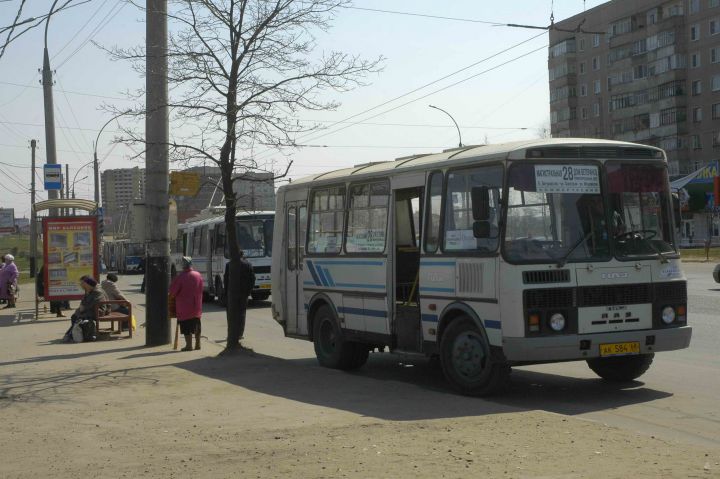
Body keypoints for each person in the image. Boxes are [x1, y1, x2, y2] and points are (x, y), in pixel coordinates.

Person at [169, 256, 203, 351]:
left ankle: (189, 345)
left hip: (184, 307)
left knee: (186, 326)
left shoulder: (180, 277)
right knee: (196, 324)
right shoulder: (198, 275)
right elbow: (201, 288)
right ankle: (198, 344)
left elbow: (173, 292)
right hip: (196, 306)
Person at [63, 276, 108, 342]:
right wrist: (80, 309)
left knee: (79, 317)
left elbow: (94, 303)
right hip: (91, 310)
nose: (81, 285)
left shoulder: (97, 291)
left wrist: (83, 308)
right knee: (75, 316)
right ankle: (73, 334)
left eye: (82, 283)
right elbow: (83, 302)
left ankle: (71, 335)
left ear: (87, 284)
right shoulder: (89, 290)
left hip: (99, 311)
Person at [236, 250, 256, 338]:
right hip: (244, 293)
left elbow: (226, 279)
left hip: (233, 294)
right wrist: (249, 291)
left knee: (233, 314)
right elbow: (253, 279)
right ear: (242, 255)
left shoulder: (229, 264)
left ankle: (232, 333)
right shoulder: (248, 264)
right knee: (242, 313)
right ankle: (240, 333)